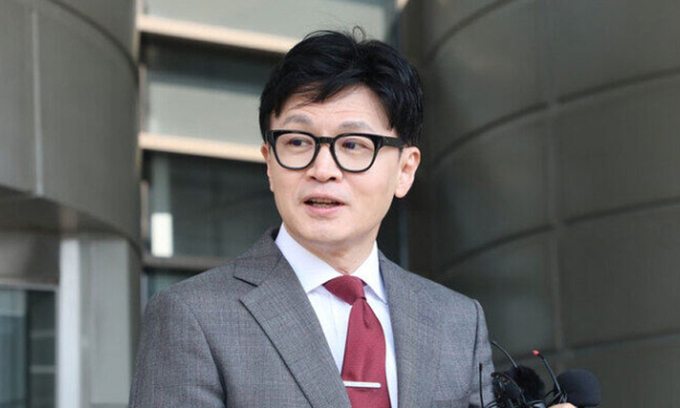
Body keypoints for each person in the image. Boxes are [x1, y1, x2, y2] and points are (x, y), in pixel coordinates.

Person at [129, 29, 575, 408]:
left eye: (353, 145)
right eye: (298, 141)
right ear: (269, 162)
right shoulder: (193, 316)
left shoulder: (456, 320)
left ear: (405, 170)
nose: (322, 169)